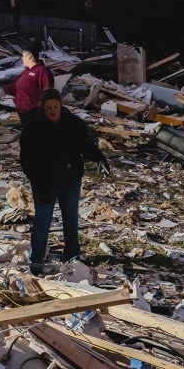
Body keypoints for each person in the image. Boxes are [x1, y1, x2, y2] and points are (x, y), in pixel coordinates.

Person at [20, 88, 109, 274]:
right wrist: (38, 183)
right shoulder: (33, 127)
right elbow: (28, 160)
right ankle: (35, 261)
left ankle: (73, 256)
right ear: (42, 108)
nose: (52, 111)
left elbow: (85, 145)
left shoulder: (74, 123)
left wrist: (99, 158)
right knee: (43, 221)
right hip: (45, 182)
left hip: (70, 179)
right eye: (48, 107)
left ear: (61, 105)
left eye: (55, 106)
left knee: (71, 219)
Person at [4, 42, 54, 128]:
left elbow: (47, 90)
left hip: (34, 111)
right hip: (23, 111)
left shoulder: (42, 71)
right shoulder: (25, 72)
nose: (22, 59)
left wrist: (42, 107)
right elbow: (17, 86)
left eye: (23, 56)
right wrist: (4, 89)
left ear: (30, 57)